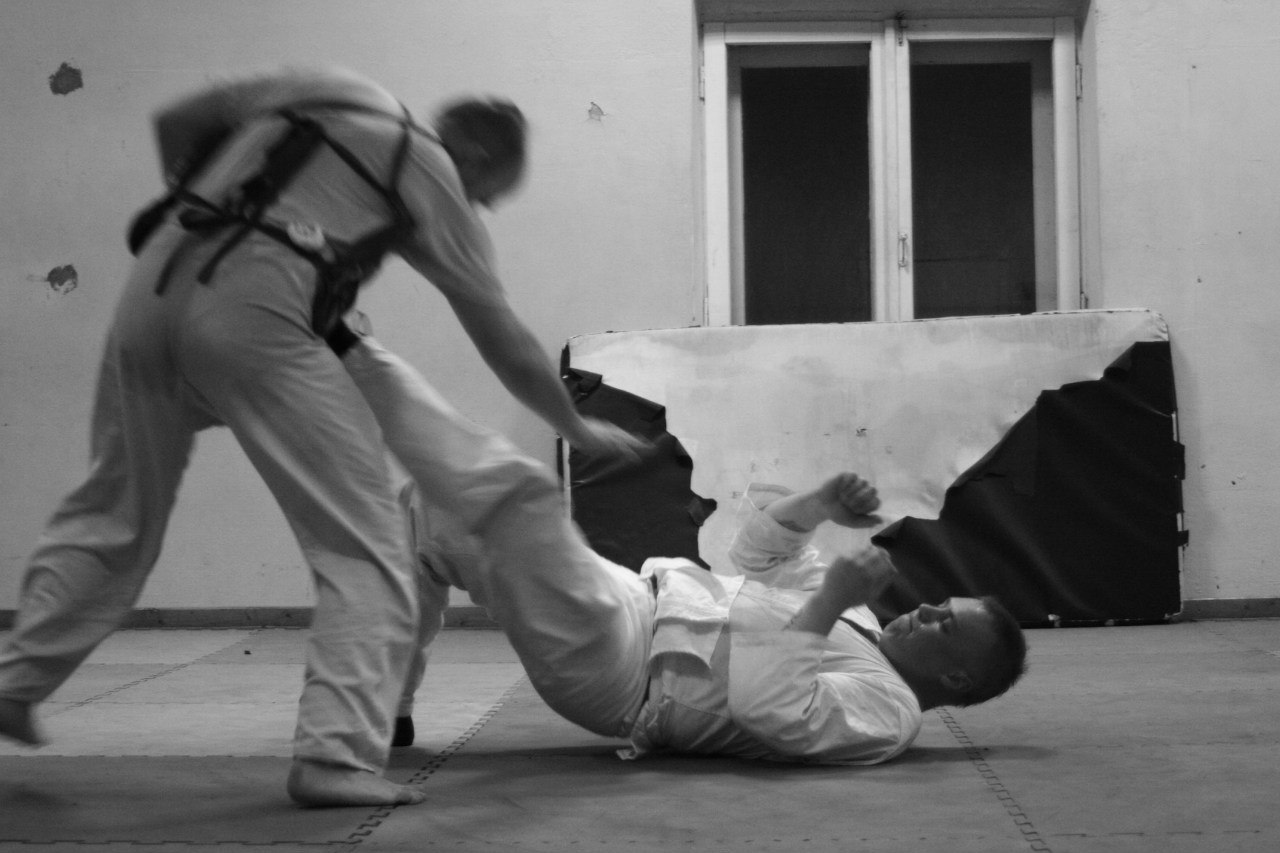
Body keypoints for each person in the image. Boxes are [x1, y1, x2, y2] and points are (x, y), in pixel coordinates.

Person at [0, 67, 647, 808]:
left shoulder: (335, 92)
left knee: (114, 509)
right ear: (473, 156)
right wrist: (574, 427)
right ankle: (334, 757)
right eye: (486, 195)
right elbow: (505, 340)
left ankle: (16, 682)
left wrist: (202, 203)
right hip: (257, 316)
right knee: (366, 542)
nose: (477, 209)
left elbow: (177, 118)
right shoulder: (432, 172)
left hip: (153, 290)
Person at [334, 328, 1029, 765]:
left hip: (629, 671)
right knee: (426, 511)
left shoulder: (888, 712)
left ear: (957, 679)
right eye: (941, 604)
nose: (926, 610)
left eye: (944, 623)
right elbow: (760, 554)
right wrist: (818, 506)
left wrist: (828, 600)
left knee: (503, 497)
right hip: (638, 599)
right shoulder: (863, 624)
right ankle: (386, 708)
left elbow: (771, 707)